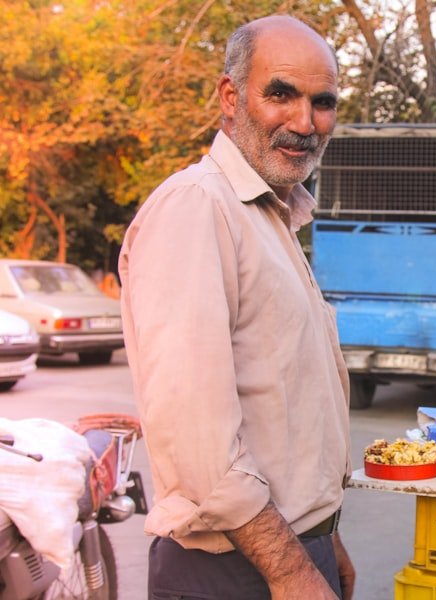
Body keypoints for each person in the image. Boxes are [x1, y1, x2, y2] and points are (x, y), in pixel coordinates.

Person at [119, 16, 354, 600]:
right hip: (234, 573)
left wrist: (327, 541)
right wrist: (292, 571)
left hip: (291, 552)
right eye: (281, 94)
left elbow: (289, 415)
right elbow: (196, 437)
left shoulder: (271, 215)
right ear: (230, 97)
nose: (304, 123)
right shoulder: (197, 207)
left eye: (321, 102)